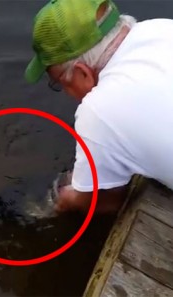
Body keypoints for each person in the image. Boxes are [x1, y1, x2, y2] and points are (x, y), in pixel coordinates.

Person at [24, 0, 173, 214]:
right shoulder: (162, 27)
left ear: (82, 73)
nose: (66, 93)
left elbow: (106, 201)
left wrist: (63, 198)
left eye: (60, 83)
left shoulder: (98, 112)